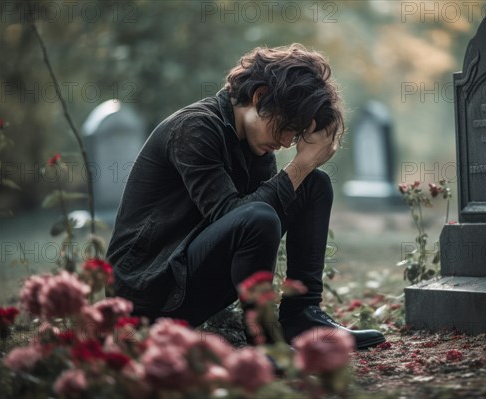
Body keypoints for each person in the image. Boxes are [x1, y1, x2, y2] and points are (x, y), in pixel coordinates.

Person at [106, 44, 385, 349]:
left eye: (296, 133)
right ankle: (263, 341)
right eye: (289, 128)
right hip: (148, 291)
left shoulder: (254, 143)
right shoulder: (195, 128)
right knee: (269, 205)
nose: (288, 141)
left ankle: (302, 317)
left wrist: (304, 169)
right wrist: (301, 164)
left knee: (314, 185)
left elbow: (255, 221)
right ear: (259, 96)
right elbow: (237, 217)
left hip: (187, 277)